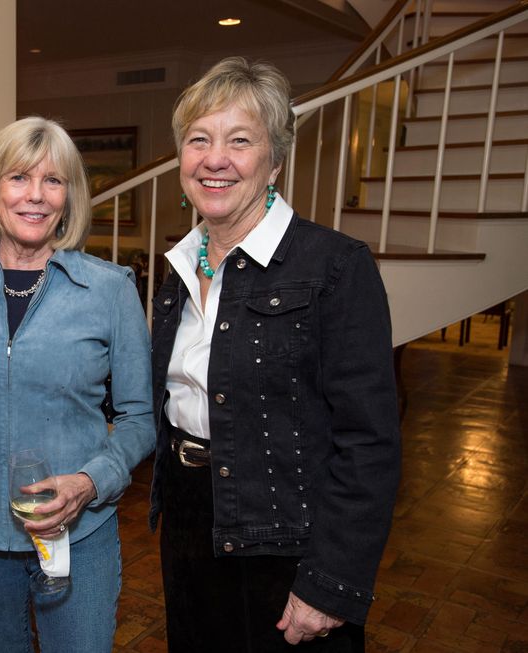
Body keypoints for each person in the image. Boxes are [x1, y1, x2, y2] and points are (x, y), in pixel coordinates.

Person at [149, 57, 401, 652]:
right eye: (199, 140)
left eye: (240, 141)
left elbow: (369, 442)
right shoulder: (178, 270)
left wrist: (330, 583)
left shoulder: (335, 267)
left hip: (285, 540)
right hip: (188, 522)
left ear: (276, 162)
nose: (215, 159)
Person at [0, 116, 154, 653]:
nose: (36, 195)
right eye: (19, 178)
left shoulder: (110, 290)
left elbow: (140, 418)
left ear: (69, 196)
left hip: (80, 532)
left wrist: (89, 483)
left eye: (53, 180)